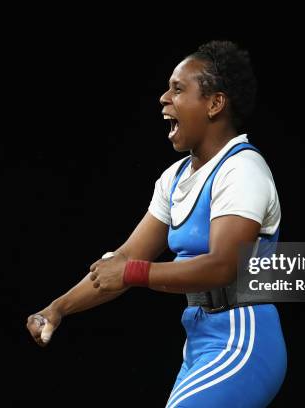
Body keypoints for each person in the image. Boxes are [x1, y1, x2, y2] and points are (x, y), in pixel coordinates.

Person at [26, 40, 287, 407]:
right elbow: (124, 259)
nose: (164, 98)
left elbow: (224, 266)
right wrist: (57, 308)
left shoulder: (242, 169)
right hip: (199, 340)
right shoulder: (175, 179)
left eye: (178, 89)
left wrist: (133, 272)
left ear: (215, 103)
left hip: (242, 338)